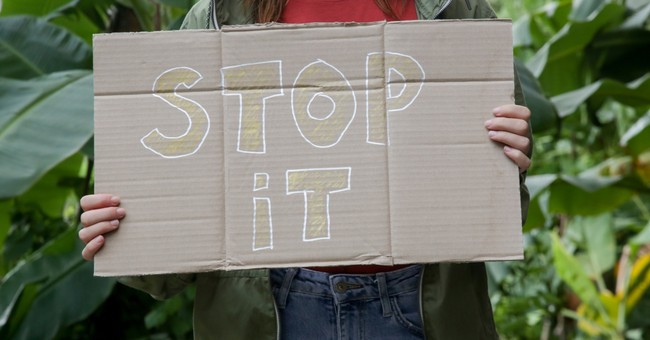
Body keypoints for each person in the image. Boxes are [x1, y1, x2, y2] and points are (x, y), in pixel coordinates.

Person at [79, 0, 532, 338]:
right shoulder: (220, 15)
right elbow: (164, 269)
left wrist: (508, 158)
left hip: (421, 308)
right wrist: (122, 228)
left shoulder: (452, 10)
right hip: (273, 312)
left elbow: (500, 207)